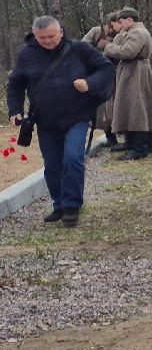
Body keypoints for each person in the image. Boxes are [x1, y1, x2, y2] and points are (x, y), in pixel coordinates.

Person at [6, 15, 114, 227]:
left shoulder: (79, 49)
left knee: (73, 158)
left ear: (61, 32)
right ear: (35, 36)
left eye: (51, 36)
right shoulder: (27, 54)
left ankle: (72, 207)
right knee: (53, 165)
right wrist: (15, 110)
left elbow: (107, 69)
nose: (47, 41)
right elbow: (16, 84)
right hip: (45, 120)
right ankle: (59, 204)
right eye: (42, 38)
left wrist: (89, 83)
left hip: (77, 116)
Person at [100, 6, 152, 161]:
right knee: (129, 107)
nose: (120, 25)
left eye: (121, 21)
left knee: (136, 109)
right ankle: (133, 142)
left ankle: (140, 147)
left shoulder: (138, 33)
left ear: (129, 19)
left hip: (135, 73)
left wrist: (107, 46)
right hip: (130, 72)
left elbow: (127, 52)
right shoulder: (132, 32)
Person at [83, 14, 120, 150]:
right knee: (101, 109)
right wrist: (97, 49)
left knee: (116, 107)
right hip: (99, 75)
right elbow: (83, 47)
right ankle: (110, 137)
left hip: (116, 74)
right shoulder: (96, 31)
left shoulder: (121, 34)